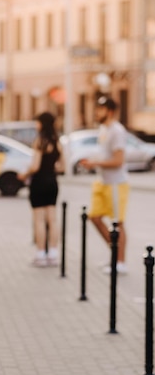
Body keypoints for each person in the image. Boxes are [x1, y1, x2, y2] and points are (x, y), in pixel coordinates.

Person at [81, 96, 129, 274]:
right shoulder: (104, 129)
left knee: (117, 223)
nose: (96, 112)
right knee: (94, 217)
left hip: (116, 183)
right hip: (102, 181)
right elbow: (104, 155)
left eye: (99, 109)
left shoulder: (117, 131)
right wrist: (93, 161)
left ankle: (120, 261)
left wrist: (95, 164)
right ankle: (114, 254)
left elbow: (118, 160)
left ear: (109, 111)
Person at [18, 111, 64, 267]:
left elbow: (35, 166)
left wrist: (24, 174)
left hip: (39, 183)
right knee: (53, 218)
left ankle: (40, 255)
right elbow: (62, 166)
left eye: (37, 122)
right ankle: (53, 253)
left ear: (42, 124)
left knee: (39, 219)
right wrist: (50, 168)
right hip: (52, 182)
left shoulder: (40, 141)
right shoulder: (57, 142)